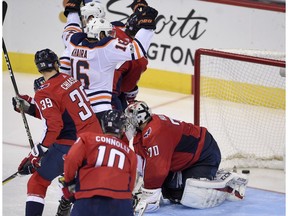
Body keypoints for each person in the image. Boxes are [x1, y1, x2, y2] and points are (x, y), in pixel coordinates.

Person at [14, 48, 102, 216]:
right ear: (56, 63)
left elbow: (54, 126)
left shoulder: (44, 91)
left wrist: (36, 154)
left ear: (39, 68)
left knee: (37, 182)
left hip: (74, 145)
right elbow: (64, 114)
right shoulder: (69, 80)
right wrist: (30, 107)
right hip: (96, 140)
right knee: (75, 181)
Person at [124, 101, 249, 213]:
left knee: (189, 196)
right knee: (169, 192)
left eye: (130, 119)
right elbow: (145, 163)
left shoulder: (156, 133)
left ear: (139, 119)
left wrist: (150, 194)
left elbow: (157, 169)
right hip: (186, 161)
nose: (127, 123)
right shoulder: (142, 134)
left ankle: (227, 184)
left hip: (205, 154)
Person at [62, 5, 158, 121]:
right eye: (108, 33)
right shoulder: (106, 48)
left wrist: (72, 12)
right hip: (102, 105)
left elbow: (69, 31)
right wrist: (148, 26)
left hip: (79, 104)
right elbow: (137, 51)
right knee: (114, 136)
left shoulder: (73, 43)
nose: (111, 36)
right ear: (101, 34)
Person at [60, 109, 137, 216]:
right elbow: (131, 185)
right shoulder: (129, 153)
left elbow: (70, 159)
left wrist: (69, 182)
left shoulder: (87, 138)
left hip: (89, 198)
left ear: (103, 125)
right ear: (121, 129)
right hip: (121, 203)